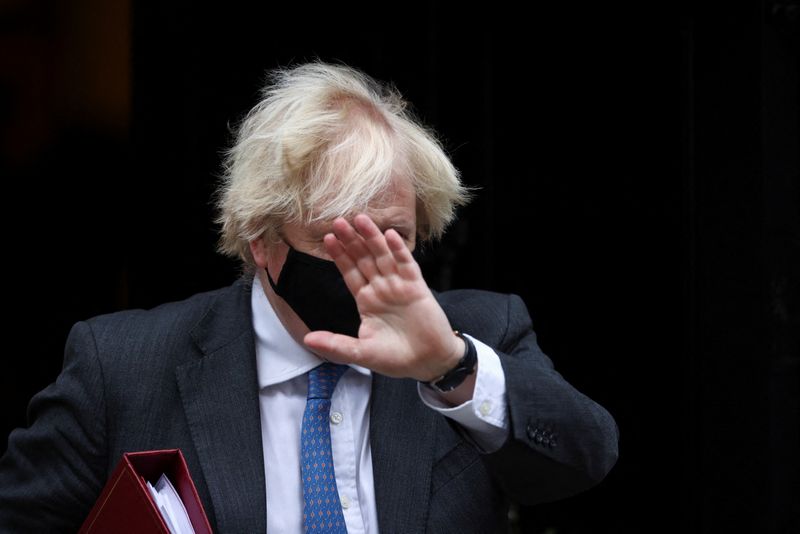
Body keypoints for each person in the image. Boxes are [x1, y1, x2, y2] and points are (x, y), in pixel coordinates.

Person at [0, 62, 618, 532]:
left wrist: (450, 367)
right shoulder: (123, 366)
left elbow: (585, 461)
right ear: (261, 240)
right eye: (338, 240)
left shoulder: (482, 331)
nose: (367, 266)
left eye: (394, 237)